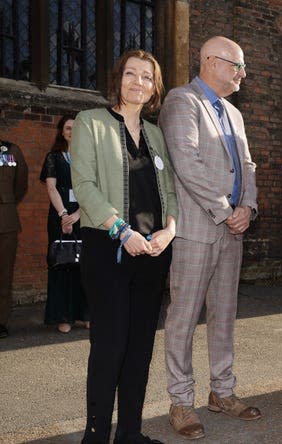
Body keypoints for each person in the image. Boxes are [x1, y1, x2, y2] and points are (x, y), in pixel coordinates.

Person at [71, 49, 177, 444]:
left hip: (152, 252)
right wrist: (121, 230)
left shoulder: (155, 134)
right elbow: (84, 185)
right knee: (110, 347)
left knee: (140, 349)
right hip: (109, 249)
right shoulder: (90, 123)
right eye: (131, 74)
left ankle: (130, 434)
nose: (138, 82)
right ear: (118, 79)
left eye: (147, 77)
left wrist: (169, 230)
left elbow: (169, 190)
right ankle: (95, 436)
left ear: (154, 87)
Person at [159, 35, 260, 440]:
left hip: (232, 231)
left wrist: (248, 209)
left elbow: (248, 166)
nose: (242, 73)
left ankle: (223, 392)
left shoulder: (234, 114)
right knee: (183, 317)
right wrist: (224, 210)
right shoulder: (181, 101)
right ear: (210, 62)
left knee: (224, 315)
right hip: (197, 230)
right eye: (237, 65)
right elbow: (187, 162)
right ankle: (182, 401)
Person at [40, 114, 89, 334]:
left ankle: (86, 314)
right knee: (62, 264)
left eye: (75, 128)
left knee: (85, 266)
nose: (72, 131)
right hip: (59, 219)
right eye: (68, 128)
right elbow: (52, 188)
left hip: (84, 216)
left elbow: (92, 189)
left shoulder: (88, 157)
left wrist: (78, 214)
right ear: (62, 131)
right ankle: (63, 316)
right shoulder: (53, 157)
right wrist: (63, 215)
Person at [0, 140, 28, 338]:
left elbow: (20, 185)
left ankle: (0, 320)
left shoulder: (11, 150)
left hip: (5, 221)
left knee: (4, 273)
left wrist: (6, 204)